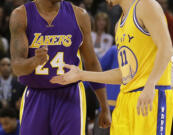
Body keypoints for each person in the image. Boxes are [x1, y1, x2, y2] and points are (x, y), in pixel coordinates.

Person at [50, 0, 173, 135]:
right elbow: (124, 74)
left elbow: (166, 49)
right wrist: (81, 74)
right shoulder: (118, 26)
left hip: (150, 95)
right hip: (125, 99)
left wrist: (151, 83)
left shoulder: (146, 5)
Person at [9, 0, 111, 135]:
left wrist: (104, 106)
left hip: (70, 96)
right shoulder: (21, 15)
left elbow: (91, 63)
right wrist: (34, 61)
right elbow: (16, 68)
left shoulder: (80, 15)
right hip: (35, 95)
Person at [93, 46, 120, 135]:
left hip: (126, 109)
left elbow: (97, 70)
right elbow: (97, 69)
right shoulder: (115, 50)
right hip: (108, 108)